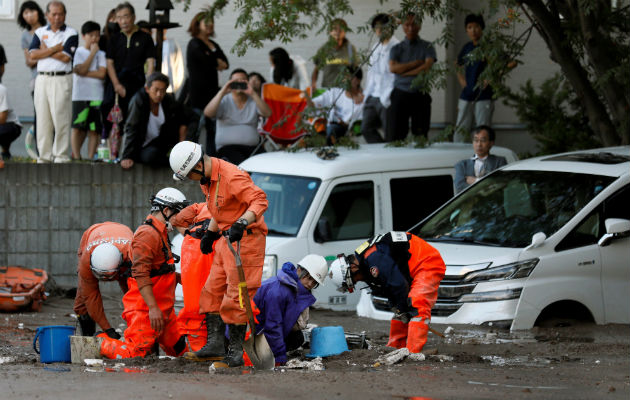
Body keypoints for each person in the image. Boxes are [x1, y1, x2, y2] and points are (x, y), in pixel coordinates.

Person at [169, 141, 268, 368]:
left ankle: (234, 352)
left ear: (196, 167)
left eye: (189, 176)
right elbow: (219, 208)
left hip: (247, 240)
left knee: (236, 297)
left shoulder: (231, 176)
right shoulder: (208, 179)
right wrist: (211, 234)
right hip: (226, 238)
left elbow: (260, 199)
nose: (191, 180)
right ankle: (214, 345)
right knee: (211, 292)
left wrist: (242, 222)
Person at [99, 188, 190, 359]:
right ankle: (100, 342)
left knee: (179, 350)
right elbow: (141, 274)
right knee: (135, 354)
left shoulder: (159, 232)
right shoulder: (147, 234)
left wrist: (179, 279)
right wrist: (153, 309)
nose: (181, 220)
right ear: (166, 211)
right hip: (146, 310)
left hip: (163, 309)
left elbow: (159, 269)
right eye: (178, 214)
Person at [329, 231, 445, 353]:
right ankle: (395, 347)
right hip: (411, 268)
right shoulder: (365, 261)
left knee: (417, 304)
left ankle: (413, 352)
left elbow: (398, 284)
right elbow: (390, 286)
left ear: (352, 268)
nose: (359, 281)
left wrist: (402, 308)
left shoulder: (374, 258)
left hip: (427, 262)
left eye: (355, 279)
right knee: (399, 311)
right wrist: (397, 308)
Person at [253, 254, 328, 366]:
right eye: (309, 278)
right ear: (299, 270)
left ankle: (270, 352)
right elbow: (273, 325)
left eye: (314, 282)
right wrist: (280, 356)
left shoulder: (293, 289)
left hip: (261, 330)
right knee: (288, 338)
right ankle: (261, 354)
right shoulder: (279, 291)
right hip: (250, 334)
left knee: (297, 338)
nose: (310, 284)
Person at [103, 2, 156, 157]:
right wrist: (116, 84)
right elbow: (109, 63)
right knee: (114, 119)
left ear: (133, 17)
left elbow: (150, 62)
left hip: (138, 83)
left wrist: (147, 84)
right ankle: (113, 155)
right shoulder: (114, 39)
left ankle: (131, 154)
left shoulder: (145, 37)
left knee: (135, 119)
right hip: (117, 85)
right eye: (119, 18)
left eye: (126, 16)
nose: (123, 21)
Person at [28, 1, 77, 163]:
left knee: (61, 117)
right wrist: (54, 48)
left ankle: (61, 155)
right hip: (42, 78)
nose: (57, 17)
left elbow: (65, 58)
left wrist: (45, 50)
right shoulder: (40, 32)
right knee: (42, 118)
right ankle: (44, 156)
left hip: (61, 78)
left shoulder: (71, 33)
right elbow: (32, 56)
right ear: (47, 15)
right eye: (54, 14)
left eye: (60, 14)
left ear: (65, 15)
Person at [73, 222, 133, 339]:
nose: (106, 280)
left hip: (123, 237)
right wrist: (108, 329)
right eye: (101, 276)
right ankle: (88, 340)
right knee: (82, 302)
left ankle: (140, 333)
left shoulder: (132, 254)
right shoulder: (86, 260)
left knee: (134, 296)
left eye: (109, 277)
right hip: (93, 232)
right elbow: (91, 298)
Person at [170, 202, 215, 351]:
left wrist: (187, 232)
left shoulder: (202, 205)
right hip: (215, 241)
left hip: (195, 243)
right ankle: (242, 355)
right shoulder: (238, 199)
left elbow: (177, 219)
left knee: (196, 304)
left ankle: (200, 350)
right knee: (231, 299)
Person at [120, 72, 187, 169]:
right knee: (151, 156)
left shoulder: (167, 101)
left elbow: (184, 117)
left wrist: (182, 146)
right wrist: (126, 156)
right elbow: (131, 127)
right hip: (141, 146)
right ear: (147, 89)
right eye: (156, 90)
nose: (159, 94)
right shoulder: (139, 100)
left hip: (159, 144)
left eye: (163, 91)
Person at [204, 68, 271, 165]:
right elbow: (208, 113)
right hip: (227, 148)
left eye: (242, 80)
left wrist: (253, 93)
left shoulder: (254, 100)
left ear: (247, 82)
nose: (239, 83)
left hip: (252, 147)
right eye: (235, 81)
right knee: (242, 165)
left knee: (266, 165)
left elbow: (268, 113)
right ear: (230, 82)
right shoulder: (224, 100)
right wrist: (223, 91)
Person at [387, 12, 436, 142]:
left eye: (413, 24)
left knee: (420, 136)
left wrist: (403, 72)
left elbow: (427, 68)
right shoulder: (396, 49)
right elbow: (392, 68)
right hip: (400, 94)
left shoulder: (427, 46)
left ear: (419, 26)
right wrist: (416, 63)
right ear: (402, 26)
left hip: (420, 93)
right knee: (396, 136)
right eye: (407, 24)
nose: (410, 28)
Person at [186, 12, 228, 157]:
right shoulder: (194, 43)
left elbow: (225, 63)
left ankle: (212, 160)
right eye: (206, 22)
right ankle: (189, 160)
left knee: (213, 130)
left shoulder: (213, 44)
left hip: (213, 95)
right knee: (196, 129)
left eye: (212, 22)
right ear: (198, 25)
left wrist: (213, 59)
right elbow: (208, 61)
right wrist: (215, 61)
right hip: (198, 95)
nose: (210, 25)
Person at [361, 13, 399, 143]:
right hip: (373, 95)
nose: (379, 30)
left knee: (390, 132)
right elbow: (371, 73)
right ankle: (381, 151)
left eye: (382, 26)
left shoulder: (397, 46)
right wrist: (367, 94)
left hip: (388, 95)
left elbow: (396, 75)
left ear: (390, 28)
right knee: (366, 128)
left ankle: (389, 158)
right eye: (376, 27)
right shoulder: (375, 47)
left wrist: (387, 96)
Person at [71, 21, 106, 161]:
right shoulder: (78, 52)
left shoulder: (102, 54)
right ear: (84, 36)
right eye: (91, 35)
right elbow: (79, 70)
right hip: (80, 95)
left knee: (94, 129)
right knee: (78, 127)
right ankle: (77, 156)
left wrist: (83, 72)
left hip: (97, 95)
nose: (94, 39)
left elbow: (102, 74)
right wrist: (92, 54)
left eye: (97, 35)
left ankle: (91, 157)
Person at [307, 66, 364, 144]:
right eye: (344, 76)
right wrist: (305, 96)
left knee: (331, 129)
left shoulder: (363, 100)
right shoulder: (335, 93)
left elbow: (358, 122)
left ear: (358, 81)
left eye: (349, 77)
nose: (345, 80)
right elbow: (314, 104)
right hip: (328, 125)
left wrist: (345, 124)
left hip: (343, 129)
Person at [17, 1, 46, 150]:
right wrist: (46, 52)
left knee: (53, 115)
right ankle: (40, 151)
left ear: (38, 12)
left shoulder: (48, 30)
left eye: (31, 11)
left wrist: (37, 54)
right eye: (25, 13)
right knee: (39, 115)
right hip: (36, 78)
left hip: (54, 76)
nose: (29, 16)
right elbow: (29, 61)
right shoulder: (25, 36)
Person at [454, 125, 507, 193]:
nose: (479, 144)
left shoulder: (499, 162)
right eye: (476, 140)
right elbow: (460, 187)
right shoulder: (462, 165)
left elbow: (501, 184)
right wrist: (487, 186)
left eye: (483, 140)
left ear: (491, 143)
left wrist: (476, 181)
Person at [311, 18, 358, 90]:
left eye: (341, 29)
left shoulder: (350, 49)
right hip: (327, 89)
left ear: (345, 31)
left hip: (345, 91)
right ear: (330, 31)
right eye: (335, 29)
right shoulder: (324, 49)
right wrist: (313, 84)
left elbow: (356, 71)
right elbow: (316, 70)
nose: (338, 32)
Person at [0, 69, 22, 167]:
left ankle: (4, 154)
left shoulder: (1, 90)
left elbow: (2, 118)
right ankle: (5, 154)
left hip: (12, 126)